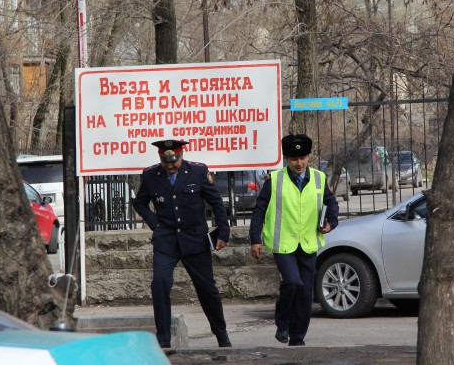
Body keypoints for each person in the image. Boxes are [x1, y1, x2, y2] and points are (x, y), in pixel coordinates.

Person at [132, 139, 231, 349]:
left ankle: (221, 334)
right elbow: (139, 202)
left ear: (181, 155)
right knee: (159, 283)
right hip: (166, 240)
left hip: (194, 239)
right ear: (160, 158)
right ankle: (163, 339)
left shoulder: (197, 172)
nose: (170, 165)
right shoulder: (150, 175)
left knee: (207, 290)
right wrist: (154, 223)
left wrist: (223, 231)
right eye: (165, 161)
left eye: (174, 160)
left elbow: (216, 202)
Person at [249, 134, 339, 347]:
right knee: (292, 282)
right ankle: (282, 323)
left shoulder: (319, 178)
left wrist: (331, 223)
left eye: (303, 158)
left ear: (308, 157)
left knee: (305, 293)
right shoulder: (274, 180)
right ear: (286, 159)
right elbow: (259, 210)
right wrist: (255, 239)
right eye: (293, 159)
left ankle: (297, 338)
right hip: (283, 243)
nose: (299, 163)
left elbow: (331, 204)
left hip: (308, 242)